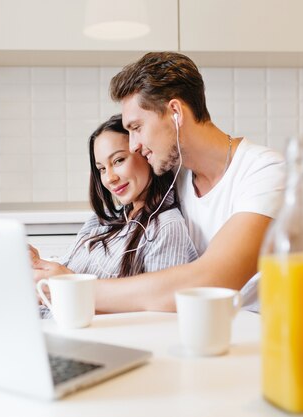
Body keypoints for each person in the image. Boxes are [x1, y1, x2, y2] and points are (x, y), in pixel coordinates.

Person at [34, 52, 286, 313]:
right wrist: (43, 267)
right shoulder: (175, 175)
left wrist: (71, 289)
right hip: (210, 330)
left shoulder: (265, 170)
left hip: (265, 336)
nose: (134, 145)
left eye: (137, 127)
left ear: (175, 112)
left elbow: (211, 279)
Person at [31, 114, 198, 317]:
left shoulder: (165, 228)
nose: (110, 178)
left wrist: (70, 287)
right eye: (102, 169)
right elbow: (62, 274)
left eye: (118, 160)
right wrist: (38, 265)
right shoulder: (101, 221)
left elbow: (158, 316)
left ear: (145, 153)